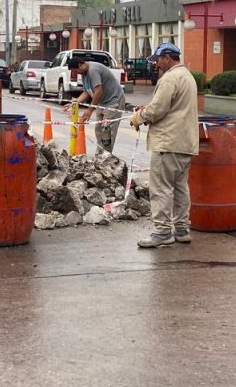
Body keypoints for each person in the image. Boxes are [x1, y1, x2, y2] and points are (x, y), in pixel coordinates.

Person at [129, 42, 199, 248]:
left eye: (158, 60)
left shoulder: (169, 78)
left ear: (167, 58)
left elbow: (158, 110)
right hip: (185, 142)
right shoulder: (188, 76)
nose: (156, 64)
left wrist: (138, 117)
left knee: (161, 189)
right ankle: (181, 229)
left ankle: (161, 232)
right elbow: (173, 107)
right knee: (180, 188)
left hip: (167, 143)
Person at [64, 54, 126, 153]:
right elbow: (87, 92)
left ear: (81, 65)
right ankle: (100, 155)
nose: (77, 73)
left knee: (107, 132)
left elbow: (98, 91)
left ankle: (106, 158)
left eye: (76, 71)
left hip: (113, 101)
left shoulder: (93, 70)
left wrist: (90, 110)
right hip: (102, 103)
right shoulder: (84, 74)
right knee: (99, 130)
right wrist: (74, 103)